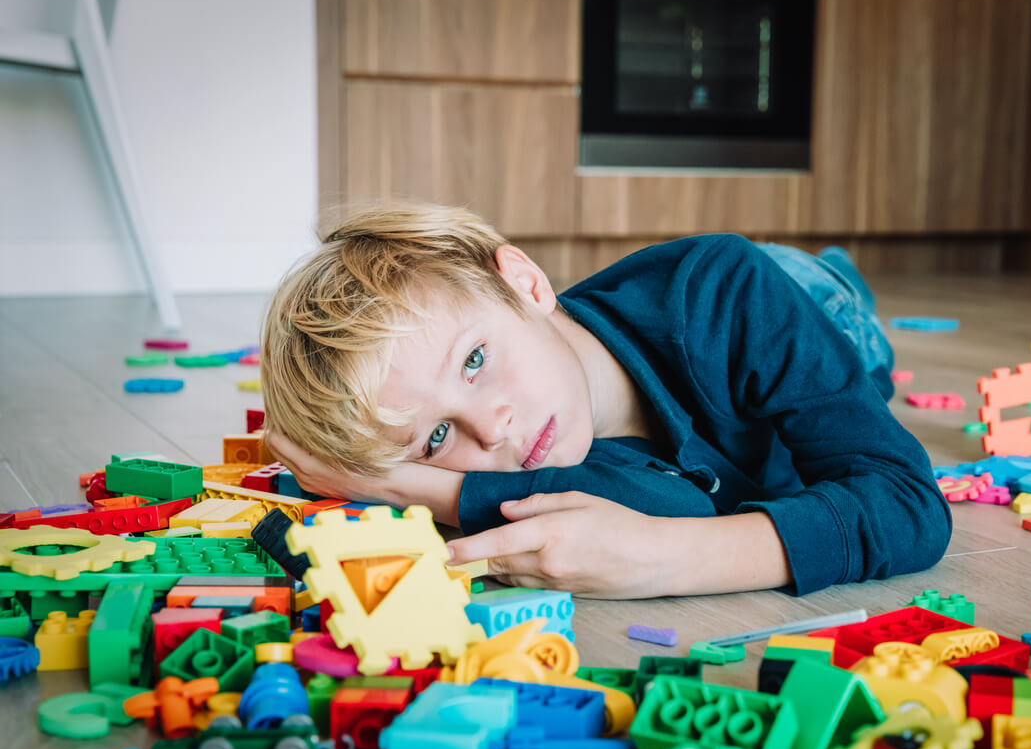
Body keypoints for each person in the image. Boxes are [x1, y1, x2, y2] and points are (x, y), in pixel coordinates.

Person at [261, 203, 950, 599]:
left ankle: (836, 266)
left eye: (475, 360)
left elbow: (907, 507)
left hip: (803, 295)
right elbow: (684, 506)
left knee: (838, 311)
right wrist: (388, 479)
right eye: (437, 438)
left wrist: (660, 557)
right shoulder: (539, 443)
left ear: (526, 282)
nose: (492, 428)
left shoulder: (727, 291)